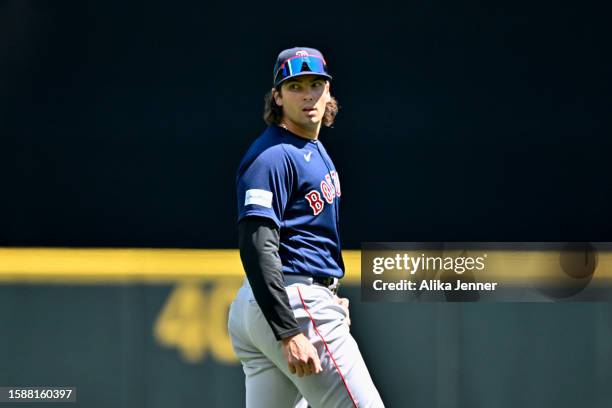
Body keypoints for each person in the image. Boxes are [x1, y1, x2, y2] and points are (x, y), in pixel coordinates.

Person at [228, 46, 384, 408]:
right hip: (291, 302)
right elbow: (256, 244)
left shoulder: (310, 148)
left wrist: (328, 292)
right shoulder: (272, 156)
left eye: (316, 84)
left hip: (281, 300)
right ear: (277, 97)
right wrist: (288, 330)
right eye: (296, 86)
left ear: (329, 92)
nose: (308, 94)